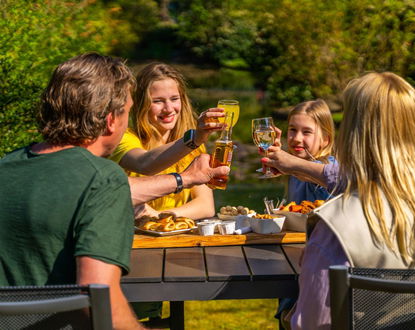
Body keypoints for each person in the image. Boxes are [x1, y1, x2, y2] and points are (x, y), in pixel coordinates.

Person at [0, 53, 229, 330]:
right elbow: (96, 293)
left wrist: (186, 178)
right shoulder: (102, 178)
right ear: (111, 120)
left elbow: (109, 191)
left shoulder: (7, 166)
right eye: (127, 111)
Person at [264, 72, 415, 329]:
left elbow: (313, 324)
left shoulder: (339, 228)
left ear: (353, 132)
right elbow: (371, 178)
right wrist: (296, 166)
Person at [110, 62, 223, 220]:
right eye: (158, 101)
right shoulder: (124, 138)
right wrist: (194, 138)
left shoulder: (191, 144)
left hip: (173, 234)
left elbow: (206, 206)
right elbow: (144, 163)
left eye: (174, 99)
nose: (169, 108)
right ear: (142, 103)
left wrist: (159, 217)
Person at [272, 99, 337, 324]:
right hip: (296, 254)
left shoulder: (324, 168)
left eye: (306, 132)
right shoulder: (295, 168)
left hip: (320, 265)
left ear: (325, 139)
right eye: (292, 130)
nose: (296, 138)